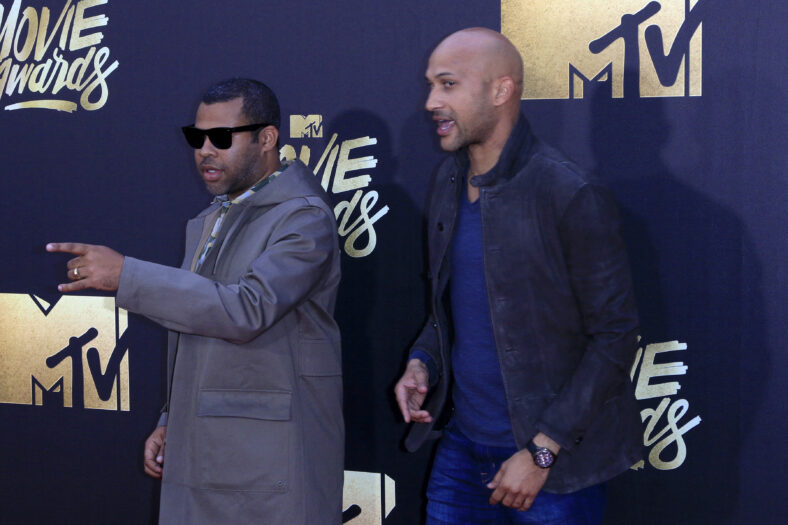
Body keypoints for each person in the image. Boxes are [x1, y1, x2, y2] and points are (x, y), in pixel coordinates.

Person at [48, 78, 344, 524]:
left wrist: (127, 274)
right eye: (197, 137)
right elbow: (197, 324)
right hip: (204, 453)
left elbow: (246, 309)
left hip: (268, 467)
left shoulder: (304, 219)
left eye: (221, 138)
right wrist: (172, 417)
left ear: (267, 138)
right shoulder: (211, 218)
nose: (205, 149)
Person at [394, 28, 642, 524]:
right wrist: (423, 361)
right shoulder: (446, 182)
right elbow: (451, 305)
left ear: (501, 91)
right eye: (430, 85)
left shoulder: (567, 191)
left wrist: (542, 451)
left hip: (552, 467)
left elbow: (616, 336)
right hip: (463, 450)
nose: (430, 102)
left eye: (447, 85)